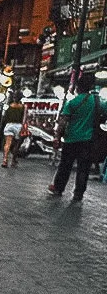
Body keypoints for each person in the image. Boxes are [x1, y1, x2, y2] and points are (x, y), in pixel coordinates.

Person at [50, 71, 100, 201]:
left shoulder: (72, 103)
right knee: (83, 168)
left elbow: (63, 121)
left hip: (71, 139)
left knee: (65, 165)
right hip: (88, 140)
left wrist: (57, 137)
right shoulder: (97, 101)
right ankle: (78, 194)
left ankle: (58, 188)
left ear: (78, 87)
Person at [0, 93, 25, 168]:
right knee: (16, 145)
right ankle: (13, 161)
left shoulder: (9, 106)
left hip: (9, 125)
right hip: (18, 126)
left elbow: (5, 117)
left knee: (8, 143)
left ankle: (5, 160)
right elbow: (24, 118)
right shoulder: (23, 107)